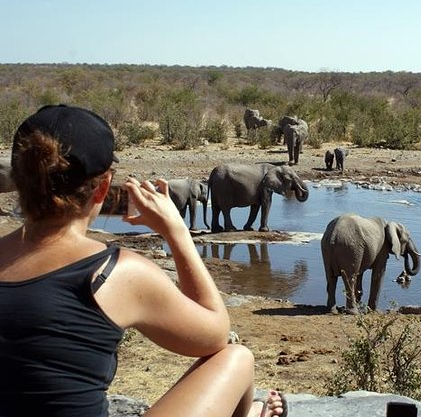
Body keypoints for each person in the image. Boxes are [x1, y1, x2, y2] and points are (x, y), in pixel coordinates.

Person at [0, 104, 286, 417]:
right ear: (104, 187)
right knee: (237, 357)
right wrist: (176, 231)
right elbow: (214, 335)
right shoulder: (117, 272)